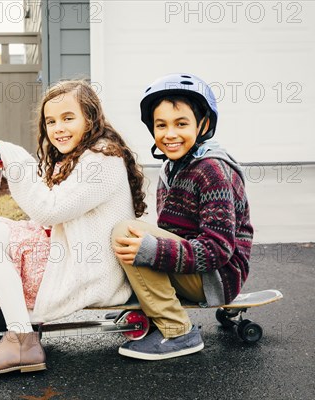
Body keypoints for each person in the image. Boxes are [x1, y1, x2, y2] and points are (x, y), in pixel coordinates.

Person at [0, 80, 147, 374]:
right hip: (80, 259)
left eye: (68, 118)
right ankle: (14, 316)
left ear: (91, 118)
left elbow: (48, 211)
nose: (58, 128)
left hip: (92, 271)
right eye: (51, 121)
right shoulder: (83, 156)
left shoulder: (101, 161)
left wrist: (15, 158)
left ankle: (21, 340)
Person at [112, 73, 254, 361]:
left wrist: (155, 251)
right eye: (160, 125)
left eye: (181, 124)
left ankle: (178, 331)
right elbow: (172, 231)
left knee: (128, 232)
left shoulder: (212, 170)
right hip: (194, 270)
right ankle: (155, 307)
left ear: (203, 125)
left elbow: (219, 249)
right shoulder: (173, 168)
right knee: (131, 234)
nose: (170, 134)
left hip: (217, 276)